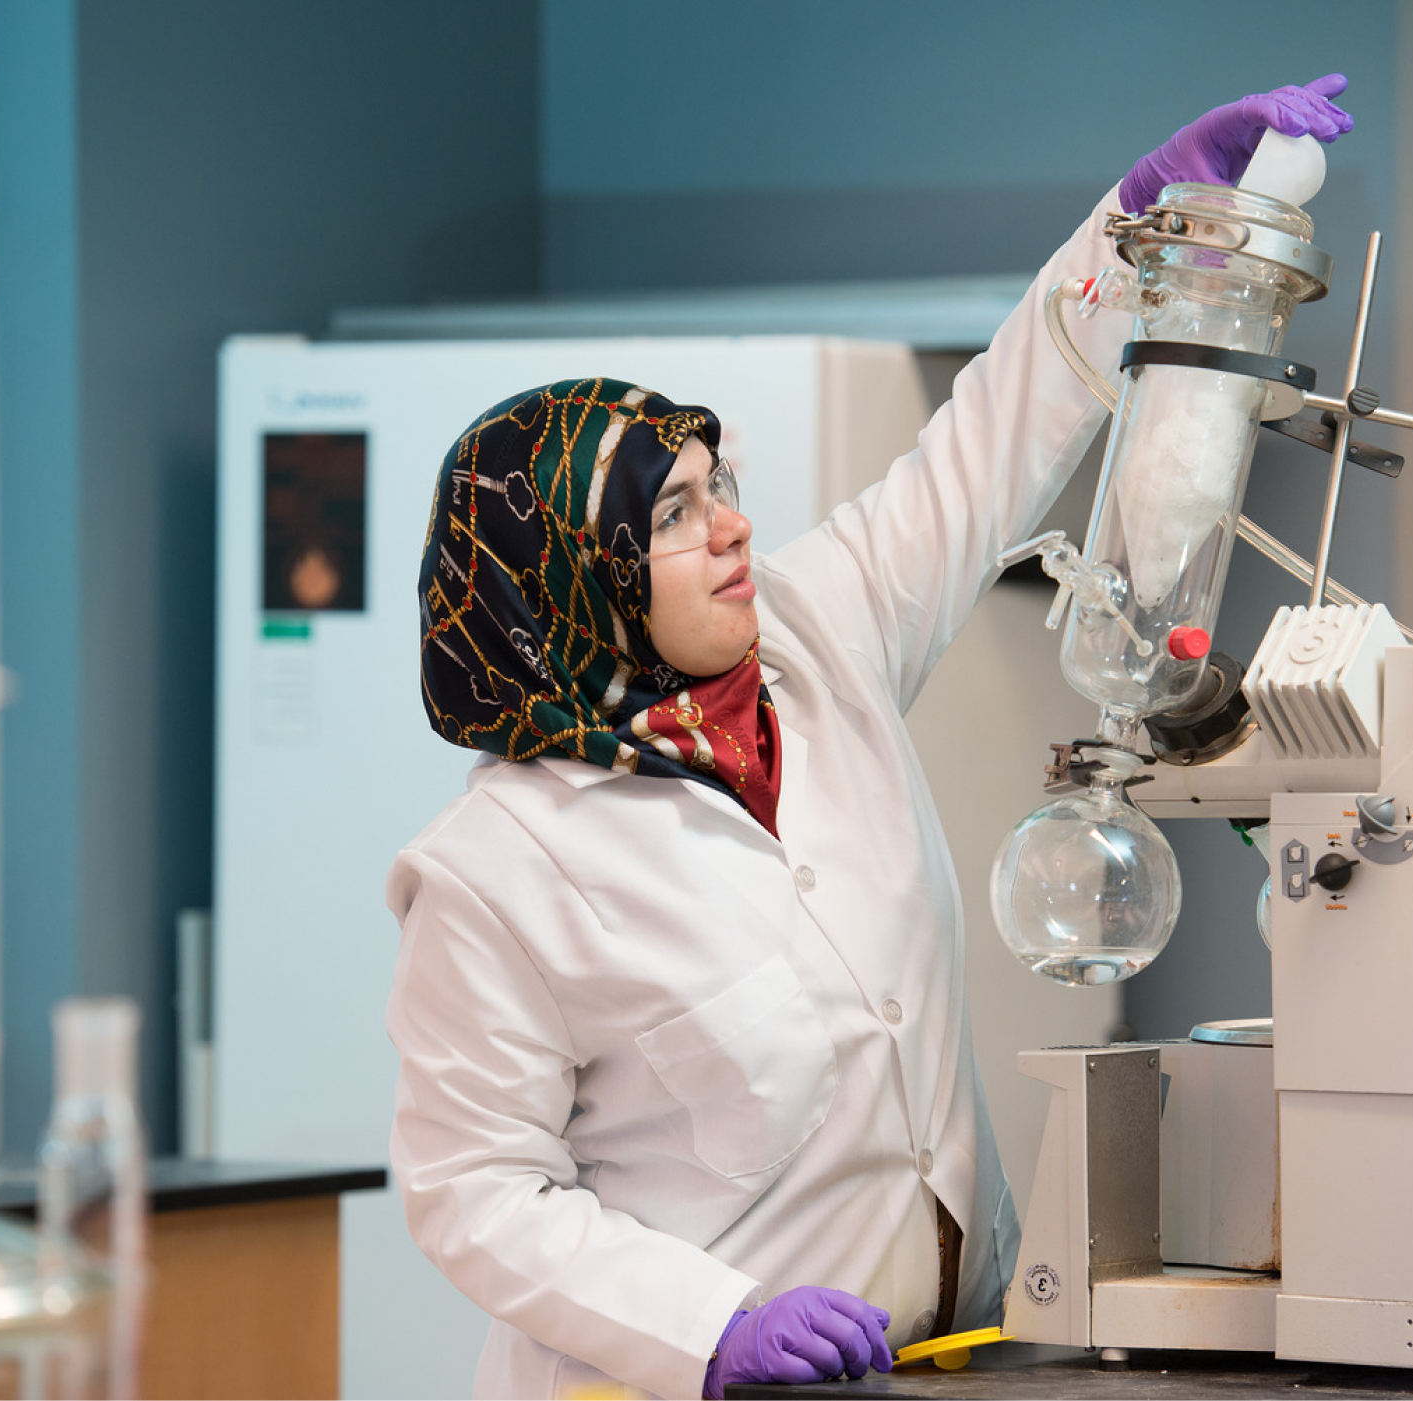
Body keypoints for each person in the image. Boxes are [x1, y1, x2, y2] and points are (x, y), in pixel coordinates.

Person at [386, 77, 1355, 1401]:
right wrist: (715, 1327)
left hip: (944, 1358)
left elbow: (984, 450)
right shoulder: (494, 869)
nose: (731, 527)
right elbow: (474, 1193)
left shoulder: (812, 635)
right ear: (571, 580)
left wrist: (1128, 233)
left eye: (718, 484)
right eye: (672, 516)